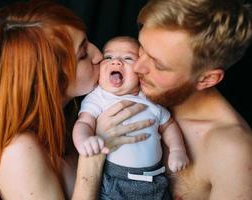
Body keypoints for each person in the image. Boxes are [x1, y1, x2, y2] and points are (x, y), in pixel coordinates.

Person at [0, 1, 152, 200]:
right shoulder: (19, 153)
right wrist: (95, 154)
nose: (99, 55)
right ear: (48, 80)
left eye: (87, 41)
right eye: (83, 54)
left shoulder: (74, 116)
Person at [132, 0, 252, 199]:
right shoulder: (125, 80)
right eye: (141, 47)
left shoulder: (231, 151)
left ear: (206, 79)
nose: (137, 67)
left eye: (158, 65)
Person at [73, 36, 189, 199]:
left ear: (141, 69)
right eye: (108, 57)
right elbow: (84, 122)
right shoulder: (98, 97)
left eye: (128, 58)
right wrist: (84, 140)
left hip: (155, 179)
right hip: (116, 181)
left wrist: (177, 150)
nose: (116, 62)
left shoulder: (150, 97)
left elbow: (169, 125)